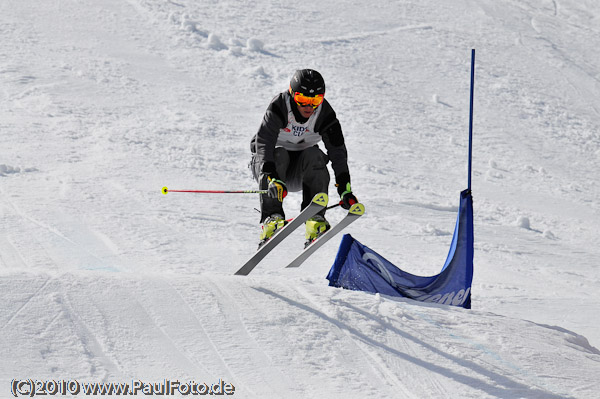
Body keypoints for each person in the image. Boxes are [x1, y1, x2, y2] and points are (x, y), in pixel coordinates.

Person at [250, 69, 358, 247]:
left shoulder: (324, 114)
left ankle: (314, 220)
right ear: (292, 95)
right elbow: (264, 144)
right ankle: (272, 217)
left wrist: (345, 189)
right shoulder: (279, 107)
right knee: (280, 153)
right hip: (271, 169)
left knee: (315, 154)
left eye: (315, 100)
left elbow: (338, 152)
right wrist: (271, 176)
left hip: (301, 173)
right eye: (303, 100)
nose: (309, 107)